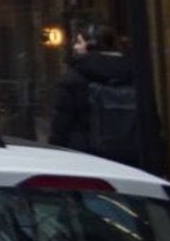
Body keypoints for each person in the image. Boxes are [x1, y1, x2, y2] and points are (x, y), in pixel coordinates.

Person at [49, 25, 142, 167]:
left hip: (87, 159)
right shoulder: (135, 74)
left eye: (79, 42)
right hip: (131, 157)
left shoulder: (73, 78)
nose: (75, 47)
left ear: (91, 45)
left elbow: (61, 125)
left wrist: (55, 156)